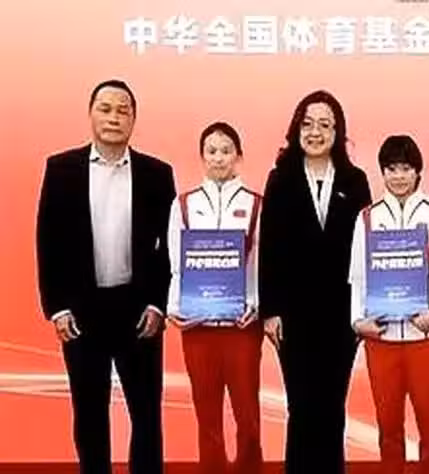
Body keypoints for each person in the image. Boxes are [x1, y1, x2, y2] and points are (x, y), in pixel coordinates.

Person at [35, 79, 176, 474]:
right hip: (82, 311)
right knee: (89, 412)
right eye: (106, 108)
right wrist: (57, 307)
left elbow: (168, 248)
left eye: (123, 110)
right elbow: (47, 241)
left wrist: (158, 304)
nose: (114, 118)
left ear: (134, 119)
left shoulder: (157, 174)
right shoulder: (61, 169)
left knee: (146, 414)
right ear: (91, 114)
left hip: (139, 311)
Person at [257, 90, 372, 474]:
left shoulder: (355, 181)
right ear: (296, 129)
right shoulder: (280, 180)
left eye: (325, 124)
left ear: (338, 132)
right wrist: (271, 310)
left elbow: (366, 249)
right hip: (294, 316)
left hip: (342, 315)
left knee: (332, 406)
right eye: (307, 124)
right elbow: (269, 247)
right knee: (302, 406)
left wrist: (363, 311)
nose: (315, 132)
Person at [350, 135, 429, 474]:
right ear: (382, 172)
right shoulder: (367, 218)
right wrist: (358, 322)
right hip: (381, 341)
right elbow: (358, 278)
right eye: (392, 169)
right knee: (388, 427)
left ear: (418, 172)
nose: (399, 176)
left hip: (426, 339)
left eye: (406, 169)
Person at [165, 122, 264, 474]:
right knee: (207, 416)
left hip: (242, 327)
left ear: (239, 156)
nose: (219, 158)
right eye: (211, 151)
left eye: (226, 151)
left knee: (248, 416)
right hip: (198, 328)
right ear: (202, 157)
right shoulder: (184, 204)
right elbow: (176, 264)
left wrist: (255, 304)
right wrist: (175, 307)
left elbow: (261, 263)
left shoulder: (256, 204)